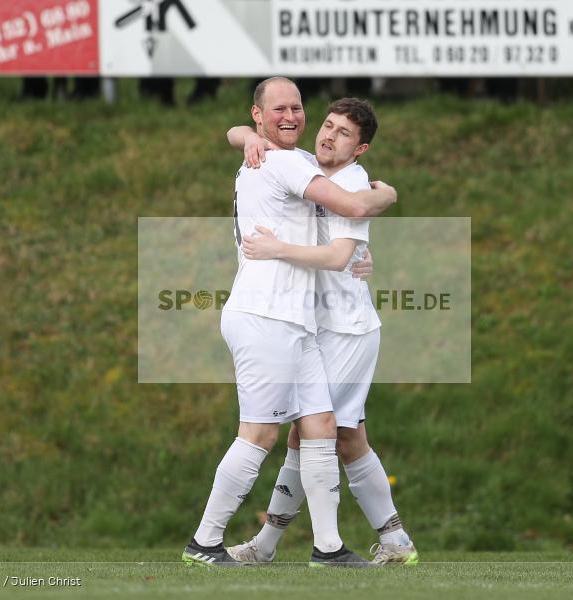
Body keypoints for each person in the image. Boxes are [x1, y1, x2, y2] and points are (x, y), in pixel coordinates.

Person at [182, 77, 397, 567]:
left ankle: (328, 549)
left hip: (293, 322)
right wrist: (388, 193)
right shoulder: (278, 160)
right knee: (258, 434)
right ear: (259, 114)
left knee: (320, 426)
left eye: (297, 107)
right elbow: (355, 204)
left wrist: (243, 134)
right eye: (277, 109)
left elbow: (237, 134)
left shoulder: (276, 154)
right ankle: (205, 542)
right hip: (265, 315)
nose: (291, 116)